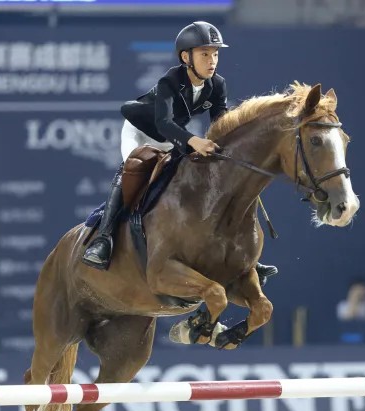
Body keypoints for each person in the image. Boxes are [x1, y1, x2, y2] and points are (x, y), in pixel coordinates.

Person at [82, 21, 278, 285]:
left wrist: (234, 152)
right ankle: (103, 239)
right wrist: (194, 141)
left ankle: (238, 254)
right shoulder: (170, 81)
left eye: (215, 54)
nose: (212, 61)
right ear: (186, 57)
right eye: (205, 54)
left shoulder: (217, 85)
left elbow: (221, 124)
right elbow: (163, 123)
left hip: (172, 138)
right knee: (132, 169)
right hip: (141, 132)